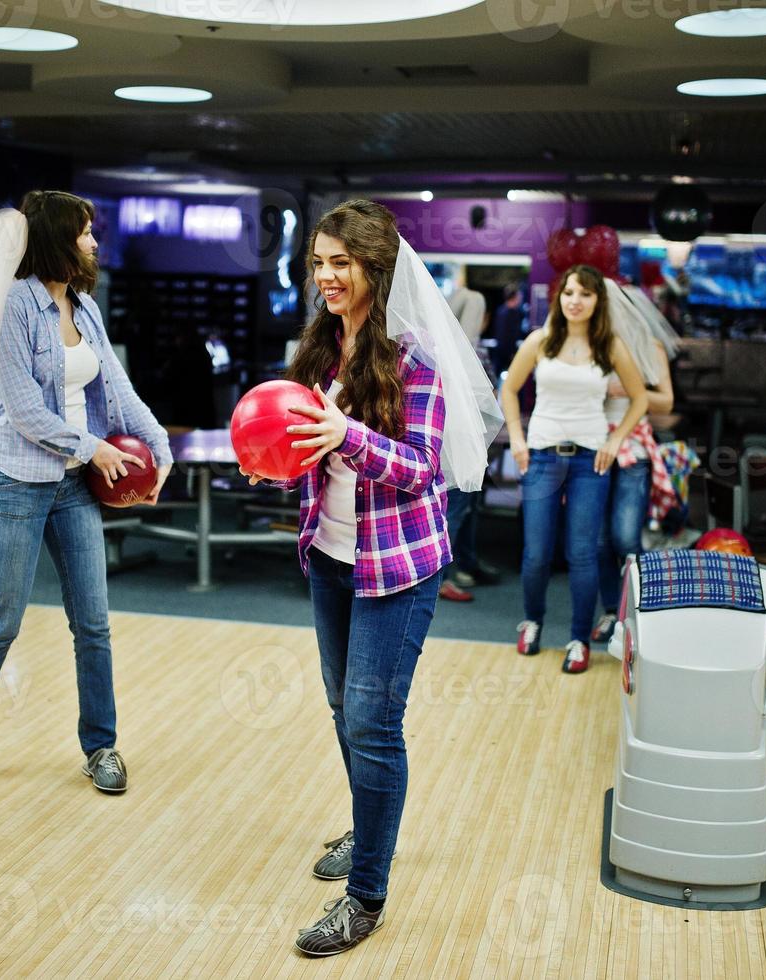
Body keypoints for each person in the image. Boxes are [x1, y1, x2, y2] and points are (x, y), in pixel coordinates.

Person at [242, 200, 500, 957]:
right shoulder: (321, 349)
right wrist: (277, 461)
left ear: (374, 268)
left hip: (397, 567)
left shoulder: (414, 358)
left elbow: (423, 468)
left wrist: (346, 435)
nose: (324, 276)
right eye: (317, 262)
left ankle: (366, 896)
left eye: (339, 263)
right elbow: (306, 445)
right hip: (329, 555)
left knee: (372, 723)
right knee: (340, 705)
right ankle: (367, 824)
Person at [0, 190, 173, 796]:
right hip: (15, 481)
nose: (94, 242)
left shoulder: (84, 307)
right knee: (2, 621)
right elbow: (23, 408)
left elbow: (118, 388)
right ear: (58, 240)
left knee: (93, 623)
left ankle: (102, 746)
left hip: (72, 489)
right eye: (86, 233)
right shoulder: (14, 306)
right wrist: (93, 448)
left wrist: (159, 446)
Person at [501, 265, 649, 674]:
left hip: (590, 459)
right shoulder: (542, 340)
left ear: (597, 301)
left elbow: (639, 399)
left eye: (585, 293)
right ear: (559, 297)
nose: (575, 300)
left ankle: (579, 640)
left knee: (582, 553)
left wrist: (615, 439)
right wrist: (517, 437)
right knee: (536, 553)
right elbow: (509, 388)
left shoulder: (609, 346)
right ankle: (532, 622)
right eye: (569, 292)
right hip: (541, 455)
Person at [591, 333, 674, 644]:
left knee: (626, 537)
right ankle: (612, 609)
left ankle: (637, 613)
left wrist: (629, 387)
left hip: (632, 450)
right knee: (597, 541)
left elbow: (666, 401)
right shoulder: (587, 340)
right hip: (592, 444)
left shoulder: (650, 345)